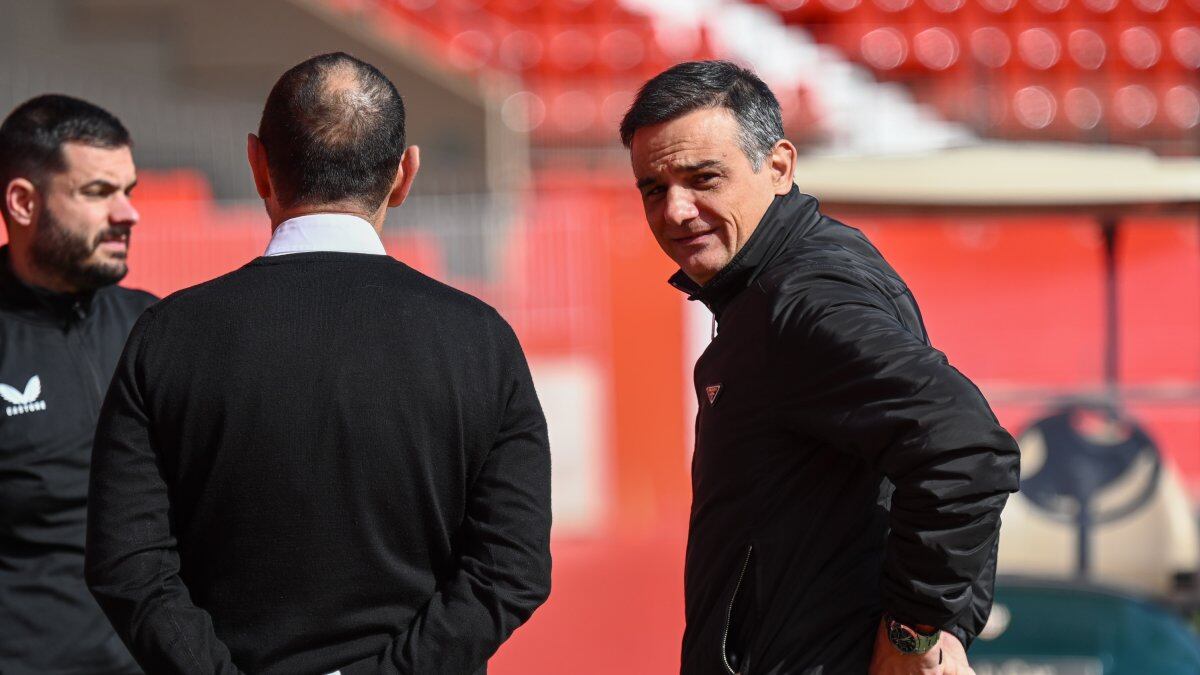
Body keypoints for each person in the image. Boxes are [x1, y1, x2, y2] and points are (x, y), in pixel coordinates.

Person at [85, 52, 552, 675]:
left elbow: (129, 565)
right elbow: (511, 565)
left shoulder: (165, 335)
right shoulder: (482, 339)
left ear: (257, 163)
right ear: (404, 173)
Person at [620, 61, 1020, 675]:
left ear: (778, 167)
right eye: (654, 187)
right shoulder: (782, 281)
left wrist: (916, 633)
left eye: (703, 179)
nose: (676, 210)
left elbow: (965, 450)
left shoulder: (803, 300)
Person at [0, 94, 151, 675]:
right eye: (97, 193)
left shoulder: (155, 328)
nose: (127, 214)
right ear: (22, 202)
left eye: (129, 191)